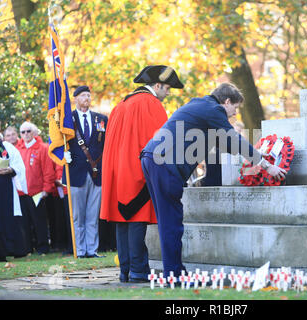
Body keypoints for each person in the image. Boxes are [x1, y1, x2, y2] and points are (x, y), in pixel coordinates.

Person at [140, 83, 287, 278]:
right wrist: (266, 164)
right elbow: (233, 138)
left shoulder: (201, 106)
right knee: (171, 223)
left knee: (167, 221)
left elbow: (224, 143)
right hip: (165, 163)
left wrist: (252, 156)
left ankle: (174, 272)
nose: (234, 114)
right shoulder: (214, 109)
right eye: (235, 108)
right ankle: (173, 275)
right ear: (226, 102)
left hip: (152, 158)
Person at [100, 65, 184, 283]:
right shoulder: (150, 103)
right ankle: (138, 270)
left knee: (122, 219)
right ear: (157, 85)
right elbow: (161, 141)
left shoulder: (120, 105)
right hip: (138, 170)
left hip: (117, 171)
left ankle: (125, 270)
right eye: (167, 89)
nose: (168, 94)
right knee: (136, 217)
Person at [63, 85, 108, 258]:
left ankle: (92, 249)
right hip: (75, 172)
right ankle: (79, 250)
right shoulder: (67, 119)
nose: (87, 98)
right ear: (75, 99)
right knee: (77, 215)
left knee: (92, 215)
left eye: (89, 95)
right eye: (83, 95)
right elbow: (59, 141)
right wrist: (62, 155)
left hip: (97, 173)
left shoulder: (101, 119)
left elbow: (106, 144)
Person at [0, 116, 28, 261]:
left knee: (11, 219)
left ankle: (14, 250)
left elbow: (20, 166)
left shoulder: (8, 147)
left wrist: (10, 169)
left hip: (7, 189)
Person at [16, 121, 54, 255]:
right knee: (24, 222)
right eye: (23, 132)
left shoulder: (43, 148)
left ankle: (42, 247)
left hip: (37, 192)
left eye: (28, 131)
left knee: (39, 222)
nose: (26, 134)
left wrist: (46, 189)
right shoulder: (18, 150)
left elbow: (48, 171)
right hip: (22, 193)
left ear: (34, 132)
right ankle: (27, 248)